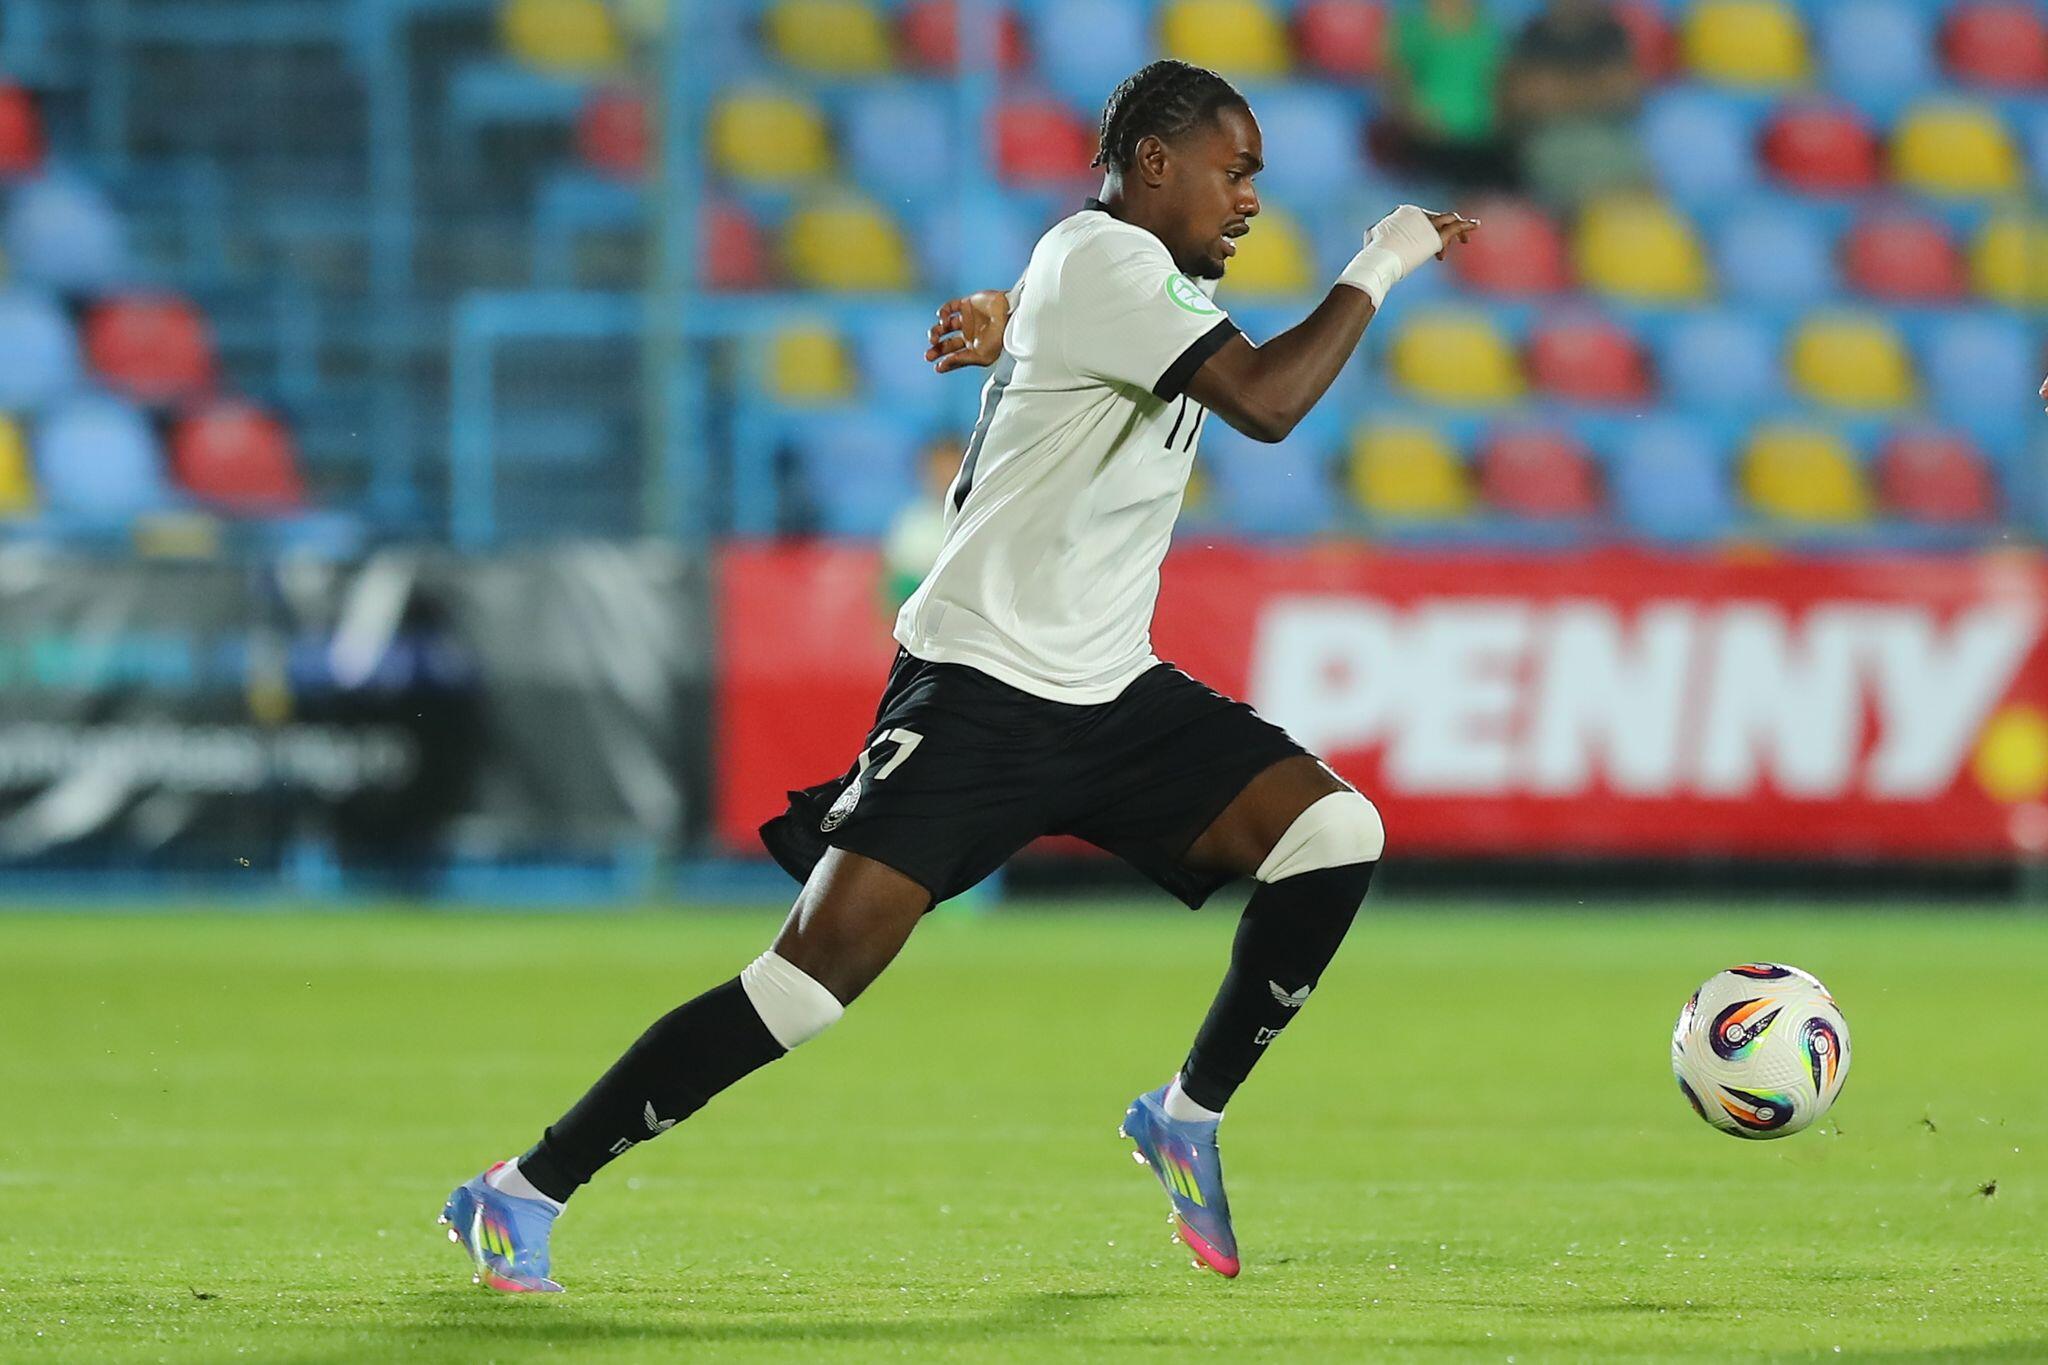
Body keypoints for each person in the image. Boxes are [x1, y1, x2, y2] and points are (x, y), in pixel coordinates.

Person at [438, 58, 1478, 1291]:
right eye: (1232, 170)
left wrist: (1010, 323)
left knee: (1332, 833)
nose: (1249, 198)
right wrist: (1381, 259)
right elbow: (1266, 401)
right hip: (981, 689)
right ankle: (519, 1191)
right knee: (804, 988)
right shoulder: (1102, 261)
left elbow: (1076, 315)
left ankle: (1184, 1115)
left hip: (1111, 692)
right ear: (1154, 162)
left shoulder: (1099, 267)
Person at [1499, 0, 1648, 205]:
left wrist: (1559, 89)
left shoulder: (1610, 32)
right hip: (1550, 138)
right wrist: (1596, 87)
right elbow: (1527, 97)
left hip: (1607, 136)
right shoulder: (1534, 34)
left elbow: (1626, 93)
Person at [1373, 0, 1518, 193]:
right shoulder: (1413, 28)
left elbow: (1502, 83)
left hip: (1483, 137)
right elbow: (1395, 79)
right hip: (1428, 137)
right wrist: (1416, 117)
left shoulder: (1491, 31)